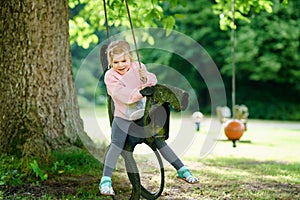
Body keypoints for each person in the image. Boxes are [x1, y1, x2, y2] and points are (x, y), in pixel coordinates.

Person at [99, 40, 199, 196]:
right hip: (122, 116)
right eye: (116, 62)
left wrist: (145, 78)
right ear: (111, 63)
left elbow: (152, 80)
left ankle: (182, 169)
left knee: (158, 140)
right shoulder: (110, 75)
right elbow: (119, 94)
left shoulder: (138, 67)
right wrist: (139, 93)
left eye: (124, 61)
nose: (120, 65)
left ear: (130, 58)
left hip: (141, 115)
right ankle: (105, 180)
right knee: (116, 144)